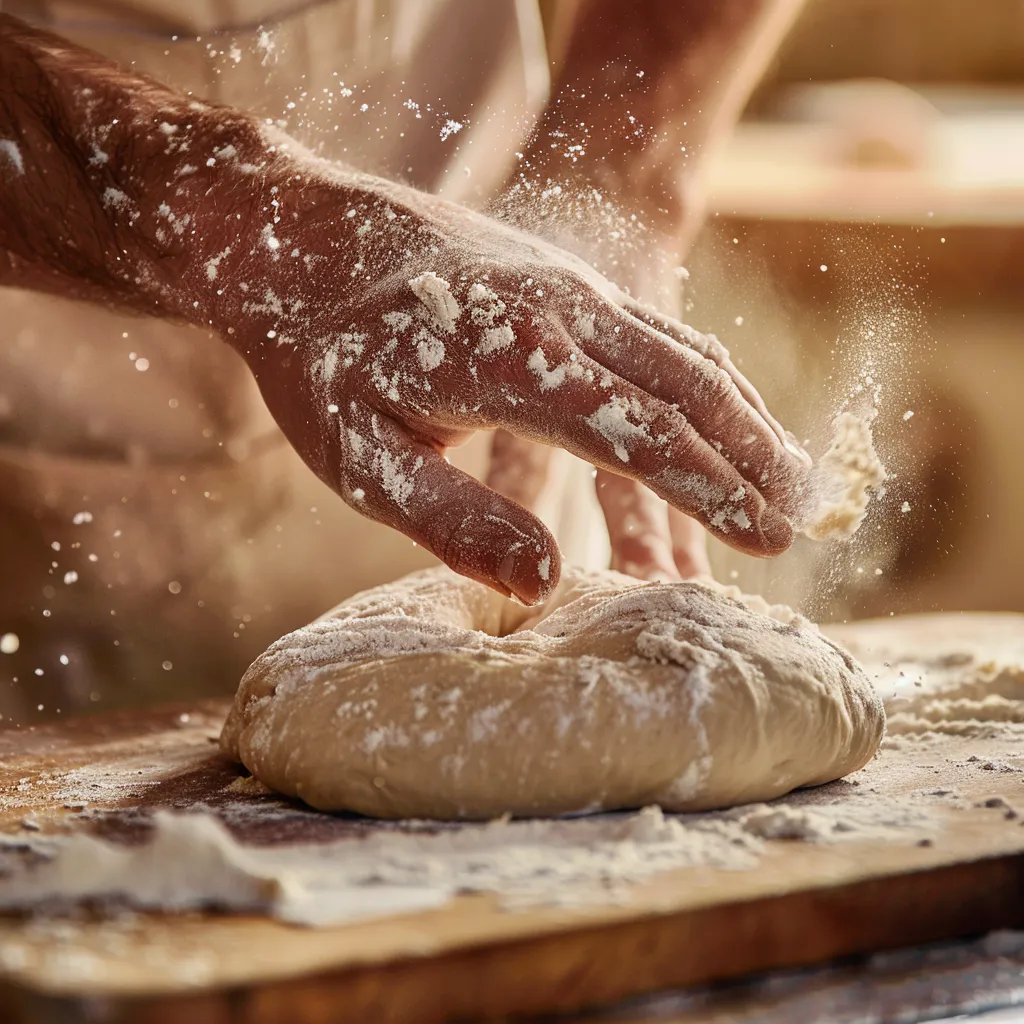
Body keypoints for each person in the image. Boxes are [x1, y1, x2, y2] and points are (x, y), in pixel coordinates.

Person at [0, 0, 809, 721]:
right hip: (36, 399)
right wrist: (250, 230)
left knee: (545, 735)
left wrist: (616, 172)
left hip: (478, 337)